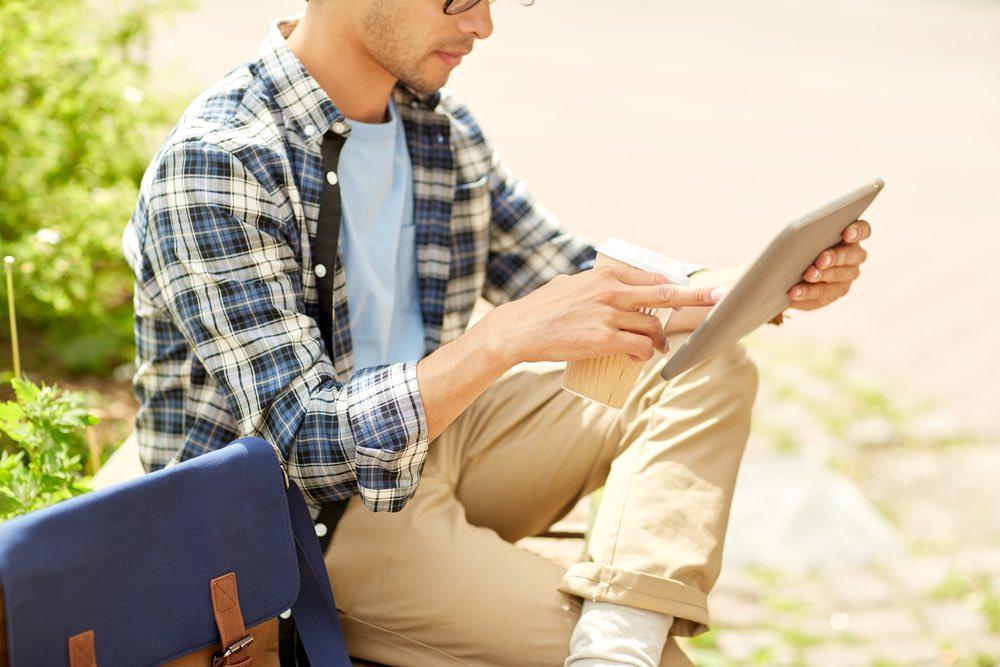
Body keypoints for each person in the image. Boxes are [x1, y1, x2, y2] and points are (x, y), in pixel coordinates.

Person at [122, 0, 872, 664]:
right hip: (314, 523)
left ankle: (617, 638)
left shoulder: (438, 130)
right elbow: (311, 447)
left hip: (439, 444)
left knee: (709, 363)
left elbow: (579, 281)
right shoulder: (222, 161)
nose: (484, 24)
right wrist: (503, 338)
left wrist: (766, 284)